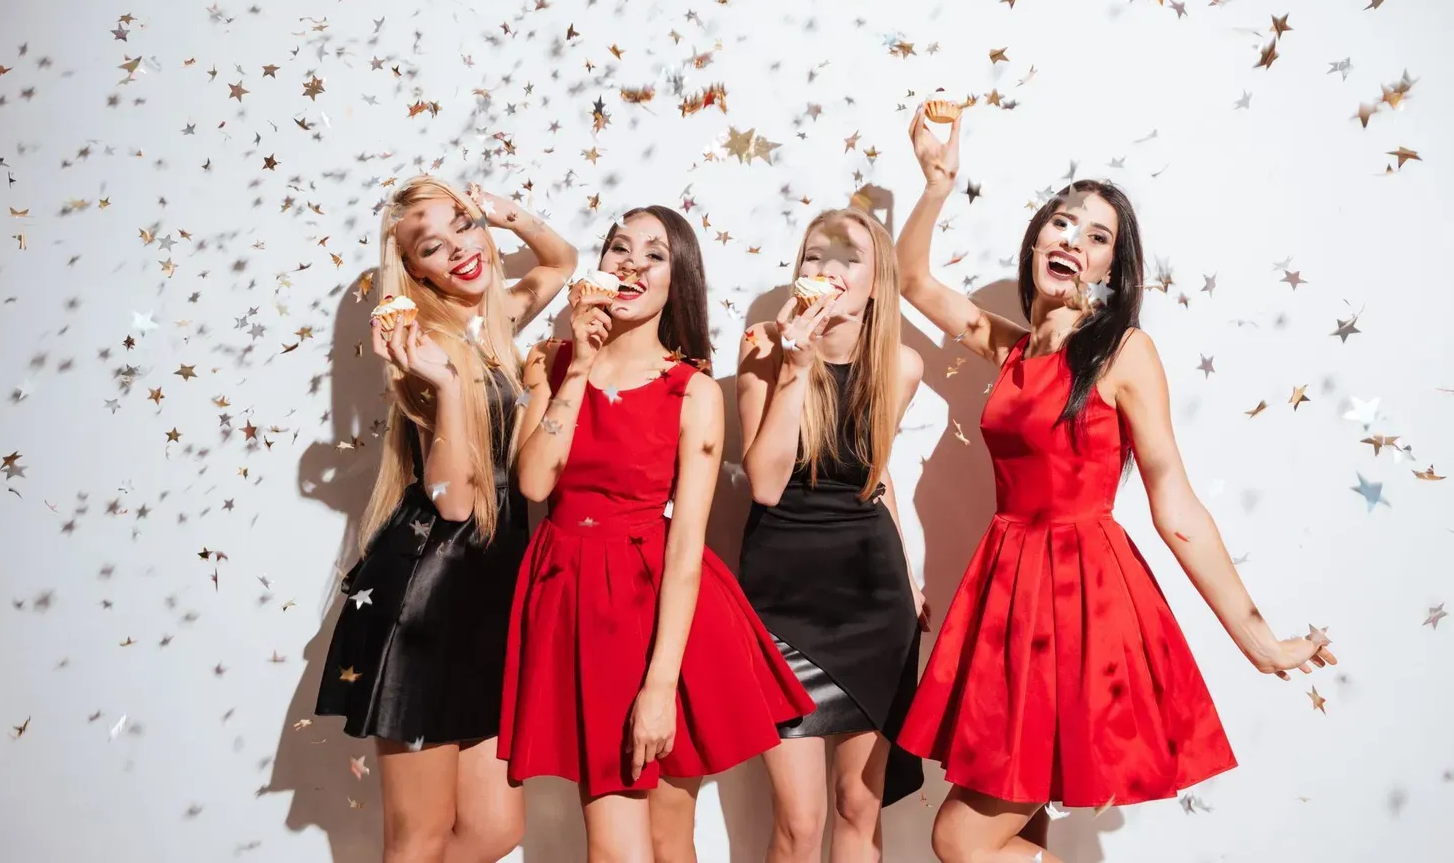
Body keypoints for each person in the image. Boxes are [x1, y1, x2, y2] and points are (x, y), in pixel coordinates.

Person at [893, 106, 1338, 863]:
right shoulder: (1009, 347)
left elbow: (1176, 506)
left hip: (1077, 599)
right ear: (1037, 238)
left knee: (961, 840)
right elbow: (911, 281)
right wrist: (935, 187)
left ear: (1109, 268)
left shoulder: (1122, 353)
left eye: (1097, 236)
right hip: (1005, 593)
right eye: (1063, 224)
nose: (1073, 239)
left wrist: (1257, 640)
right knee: (1016, 823)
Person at [500, 206, 815, 863]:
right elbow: (533, 484)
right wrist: (580, 365)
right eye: (620, 247)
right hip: (575, 604)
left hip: (662, 618)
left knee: (669, 842)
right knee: (619, 848)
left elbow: (685, 548)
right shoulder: (555, 363)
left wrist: (658, 686)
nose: (632, 263)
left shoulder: (692, 392)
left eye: (655, 254)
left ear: (679, 281)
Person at [315, 176, 577, 863]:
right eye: (433, 245)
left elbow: (559, 263)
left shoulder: (490, 324)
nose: (461, 249)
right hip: (424, 607)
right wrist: (451, 385)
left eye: (463, 227)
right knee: (420, 837)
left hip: (489, 600)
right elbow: (456, 502)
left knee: (495, 830)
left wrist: (501, 212)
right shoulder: (419, 351)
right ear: (413, 269)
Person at [735, 207, 929, 862]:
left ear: (876, 282)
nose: (826, 271)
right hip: (780, 602)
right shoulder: (763, 346)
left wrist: (908, 574)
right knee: (799, 822)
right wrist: (794, 367)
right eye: (815, 257)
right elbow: (763, 482)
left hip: (873, 604)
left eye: (848, 259)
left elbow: (873, 479)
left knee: (857, 807)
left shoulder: (899, 366)